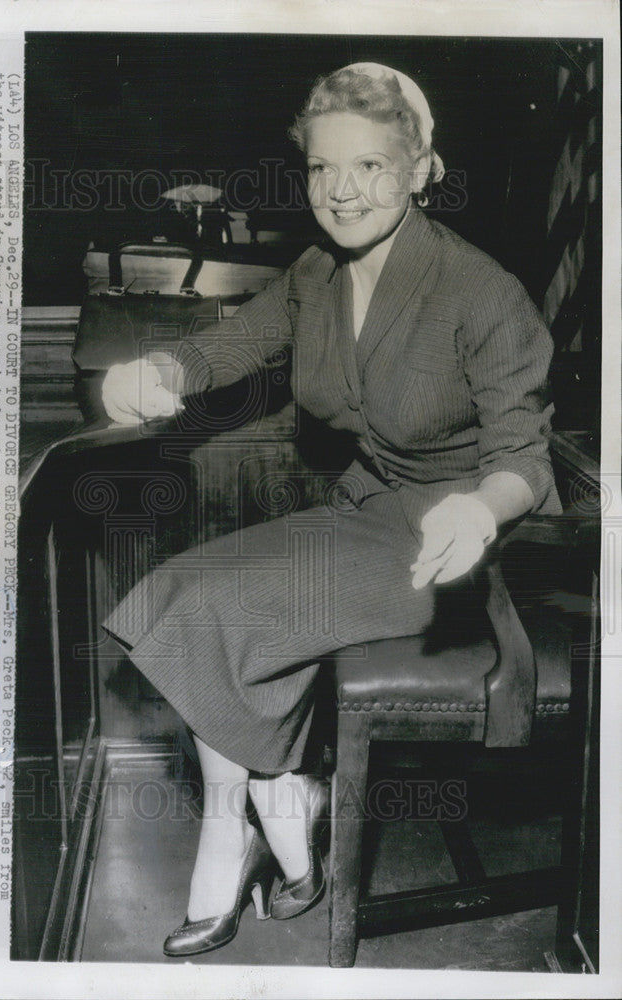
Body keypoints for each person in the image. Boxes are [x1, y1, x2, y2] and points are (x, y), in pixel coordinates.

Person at [100, 62, 562, 957]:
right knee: (171, 590)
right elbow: (236, 341)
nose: (341, 192)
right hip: (363, 515)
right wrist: (162, 371)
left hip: (448, 550)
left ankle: (231, 831)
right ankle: (283, 804)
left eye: (371, 167)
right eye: (321, 169)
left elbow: (523, 456)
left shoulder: (481, 292)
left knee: (221, 613)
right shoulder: (315, 272)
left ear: (422, 166)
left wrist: (480, 509)